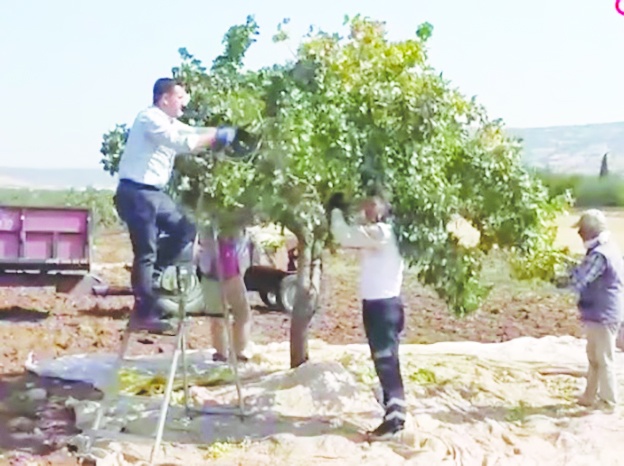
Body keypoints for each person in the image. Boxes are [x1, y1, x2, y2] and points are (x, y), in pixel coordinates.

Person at [115, 77, 238, 334]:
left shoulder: (168, 121)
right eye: (180, 97)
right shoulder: (150, 119)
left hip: (153, 193)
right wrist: (216, 137)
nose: (185, 102)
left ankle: (154, 278)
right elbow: (184, 142)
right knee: (145, 251)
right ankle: (144, 312)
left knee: (186, 228)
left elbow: (191, 132)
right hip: (137, 192)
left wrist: (220, 132)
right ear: (165, 98)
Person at [329, 194, 407, 440]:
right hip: (384, 305)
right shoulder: (383, 232)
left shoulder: (382, 233)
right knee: (386, 360)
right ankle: (392, 410)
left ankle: (394, 421)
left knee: (386, 362)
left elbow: (344, 236)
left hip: (382, 307)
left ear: (385, 207)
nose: (367, 208)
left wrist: (334, 212)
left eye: (372, 204)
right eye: (365, 203)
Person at [559, 209, 624, 411]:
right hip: (602, 312)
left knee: (604, 359)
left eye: (581, 230)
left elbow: (581, 279)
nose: (579, 235)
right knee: (595, 357)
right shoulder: (607, 249)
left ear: (589, 231)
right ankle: (589, 396)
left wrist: (556, 278)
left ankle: (608, 402)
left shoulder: (599, 254)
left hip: (604, 313)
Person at [195, 226, 253, 362]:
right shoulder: (220, 224)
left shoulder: (209, 223)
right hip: (221, 274)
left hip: (220, 274)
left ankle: (229, 352)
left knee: (229, 315)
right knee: (231, 315)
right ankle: (229, 352)